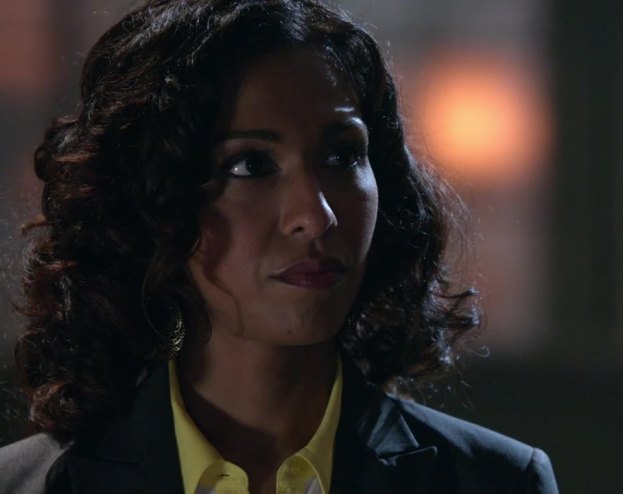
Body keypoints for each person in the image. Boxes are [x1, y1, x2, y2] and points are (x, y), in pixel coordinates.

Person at [0, 1, 558, 493]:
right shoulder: (32, 485)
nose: (316, 216)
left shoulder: (496, 482)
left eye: (342, 157)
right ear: (151, 199)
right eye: (251, 165)